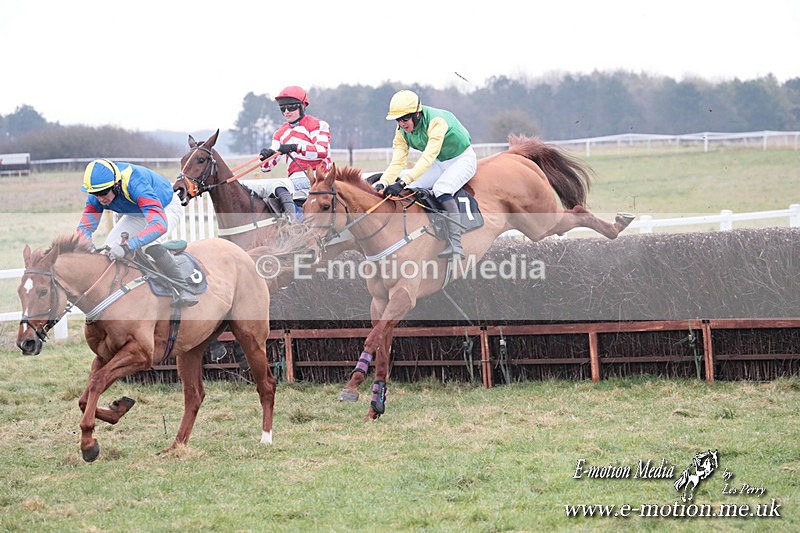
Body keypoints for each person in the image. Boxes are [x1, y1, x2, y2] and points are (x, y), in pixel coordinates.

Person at [76, 159, 197, 307]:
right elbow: (85, 227)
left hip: (165, 206)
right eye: (95, 194)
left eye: (103, 193)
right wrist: (88, 247)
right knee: (109, 248)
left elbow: (159, 225)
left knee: (148, 244)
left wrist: (128, 247)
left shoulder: (135, 183)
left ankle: (183, 288)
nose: (100, 198)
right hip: (137, 212)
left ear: (116, 185)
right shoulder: (96, 195)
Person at [376, 89, 477, 259]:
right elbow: (398, 162)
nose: (401, 124)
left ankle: (456, 243)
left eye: (405, 119)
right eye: (398, 120)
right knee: (410, 187)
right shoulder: (401, 132)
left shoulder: (436, 121)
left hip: (462, 159)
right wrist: (383, 182)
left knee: (441, 188)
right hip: (439, 162)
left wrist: (402, 181)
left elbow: (428, 157)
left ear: (417, 114)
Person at [258, 85, 332, 220]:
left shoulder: (318, 125)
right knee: (276, 189)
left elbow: (322, 151)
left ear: (302, 106)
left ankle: (297, 225)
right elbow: (266, 168)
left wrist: (295, 147)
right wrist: (265, 157)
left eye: (291, 107)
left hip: (320, 177)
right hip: (295, 180)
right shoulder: (280, 133)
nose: (286, 112)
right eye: (282, 108)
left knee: (280, 186)